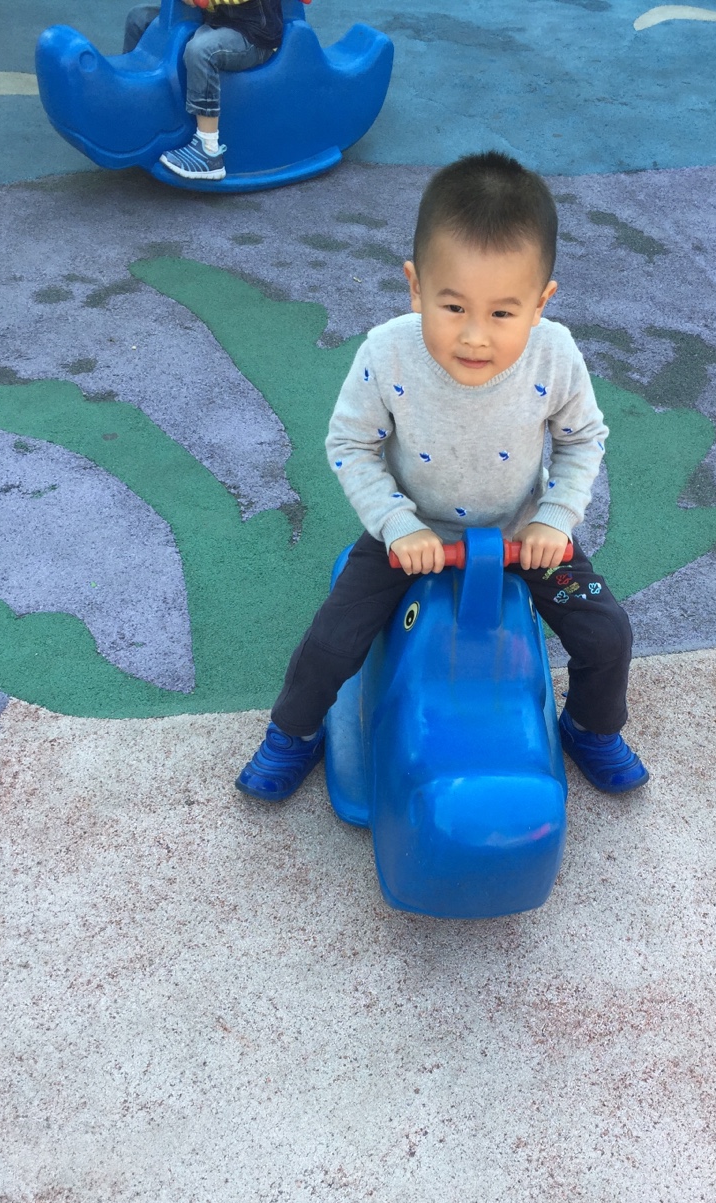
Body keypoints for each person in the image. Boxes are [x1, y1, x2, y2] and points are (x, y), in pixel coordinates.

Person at [236, 151, 649, 801]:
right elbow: (351, 444)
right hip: (412, 535)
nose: (475, 337)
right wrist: (396, 524)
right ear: (416, 287)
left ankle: (591, 728)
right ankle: (294, 732)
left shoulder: (556, 355)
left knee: (607, 634)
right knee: (332, 639)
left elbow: (581, 441)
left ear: (541, 303)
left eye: (503, 313)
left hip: (524, 537)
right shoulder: (387, 353)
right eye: (452, 306)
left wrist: (555, 519)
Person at [123, 0, 283, 180]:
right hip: (213, 19)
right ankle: (137, 113)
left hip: (252, 35)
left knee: (201, 51)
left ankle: (208, 150)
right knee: (139, 18)